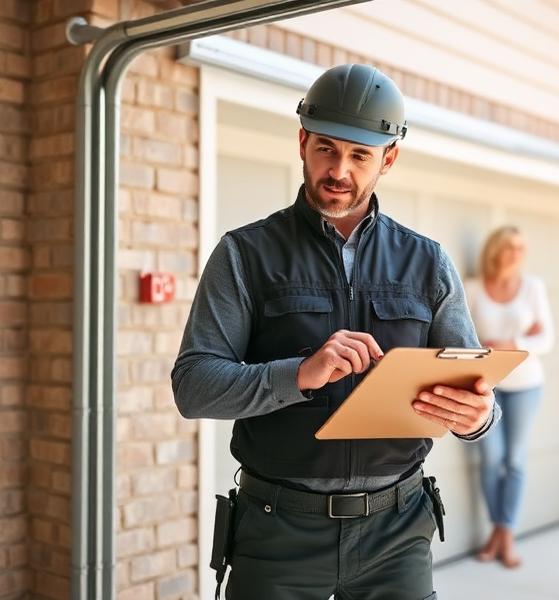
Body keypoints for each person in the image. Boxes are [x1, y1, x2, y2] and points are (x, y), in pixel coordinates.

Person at [171, 64, 500, 600]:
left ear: (388, 159)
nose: (339, 169)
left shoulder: (428, 263)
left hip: (398, 532)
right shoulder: (244, 255)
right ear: (301, 141)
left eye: (360, 155)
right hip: (276, 532)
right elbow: (193, 387)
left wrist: (479, 417)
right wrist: (299, 374)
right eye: (326, 148)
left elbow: (471, 385)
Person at [464, 226, 555, 569]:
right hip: (486, 386)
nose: (517, 253)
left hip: (526, 386)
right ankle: (498, 531)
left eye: (521, 247)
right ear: (495, 251)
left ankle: (504, 533)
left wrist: (511, 344)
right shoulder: (473, 288)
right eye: (510, 247)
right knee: (491, 460)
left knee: (514, 461)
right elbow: (465, 336)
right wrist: (514, 339)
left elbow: (547, 340)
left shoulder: (533, 288)